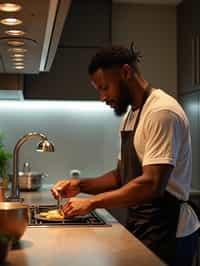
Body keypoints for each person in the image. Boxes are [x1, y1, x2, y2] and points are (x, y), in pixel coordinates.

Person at [51, 44, 200, 266]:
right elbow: (121, 176)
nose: (102, 97)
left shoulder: (161, 112)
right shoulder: (130, 117)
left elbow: (152, 184)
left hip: (170, 231)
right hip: (143, 225)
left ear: (126, 73)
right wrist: (80, 186)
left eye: (105, 87)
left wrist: (92, 203)